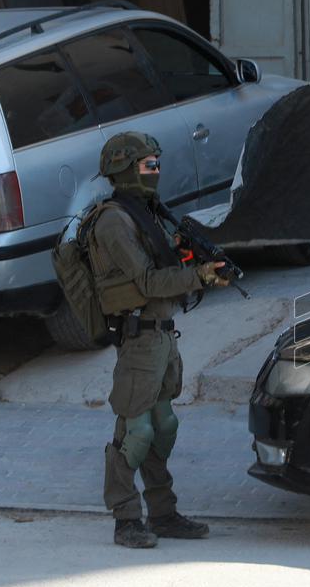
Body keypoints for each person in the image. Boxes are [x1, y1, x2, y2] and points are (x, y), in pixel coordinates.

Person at [87, 131, 229, 549]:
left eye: (157, 164)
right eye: (149, 165)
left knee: (164, 426)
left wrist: (192, 257)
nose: (156, 172)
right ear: (125, 169)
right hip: (138, 337)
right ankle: (126, 519)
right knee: (136, 433)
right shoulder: (114, 221)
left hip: (163, 335)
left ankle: (163, 514)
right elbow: (148, 281)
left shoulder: (145, 213)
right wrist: (199, 276)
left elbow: (163, 265)